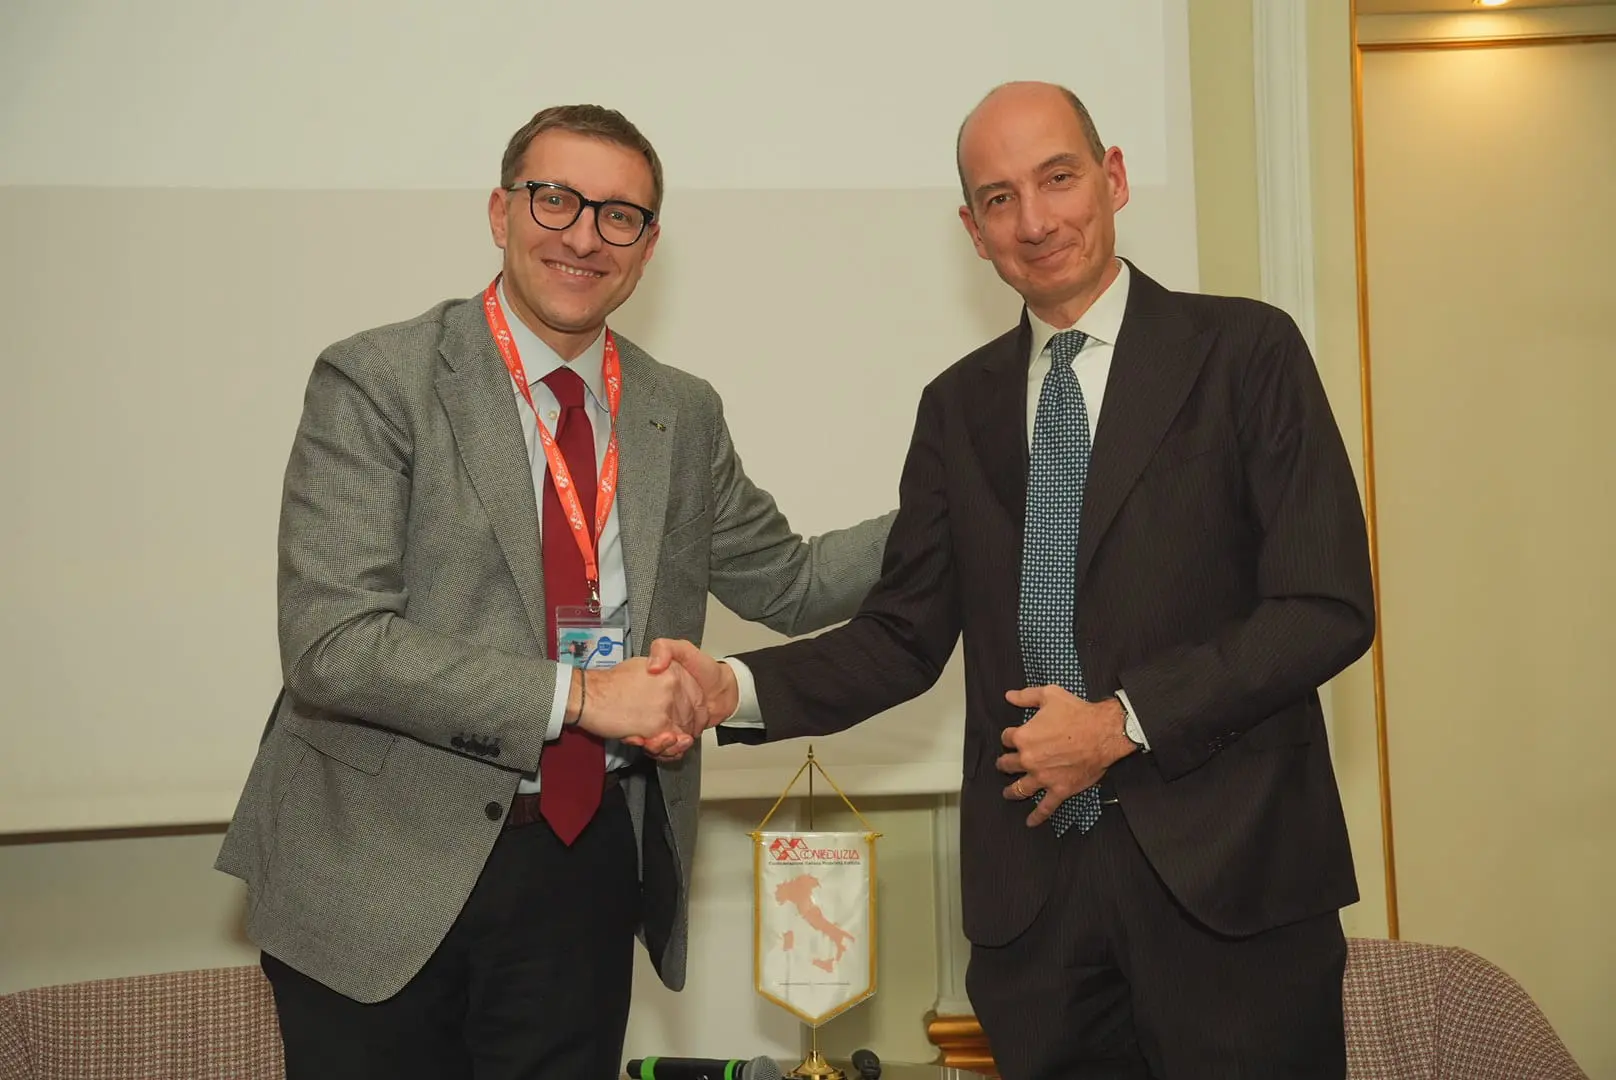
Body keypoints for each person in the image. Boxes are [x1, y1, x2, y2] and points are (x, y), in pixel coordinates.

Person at [654, 81, 1376, 1079]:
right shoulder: (957, 407)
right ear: (973, 229)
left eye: (1058, 178)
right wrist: (724, 690)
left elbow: (1323, 607)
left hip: (1230, 886)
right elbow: (901, 637)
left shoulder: (1245, 352)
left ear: (1113, 177)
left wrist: (1122, 721)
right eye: (999, 199)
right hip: (1037, 915)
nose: (1034, 221)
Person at [215, 103, 893, 1080]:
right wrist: (580, 696)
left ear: (647, 247)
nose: (583, 236)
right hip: (380, 863)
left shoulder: (679, 411)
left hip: (583, 862)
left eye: (619, 216)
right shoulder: (380, 379)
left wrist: (959, 498)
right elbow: (335, 644)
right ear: (501, 211)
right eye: (555, 200)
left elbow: (791, 581)